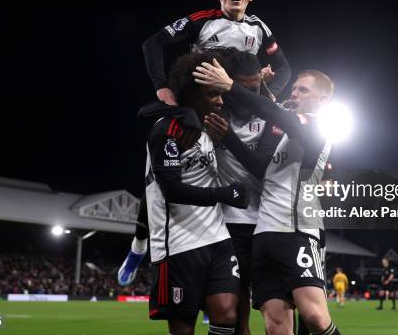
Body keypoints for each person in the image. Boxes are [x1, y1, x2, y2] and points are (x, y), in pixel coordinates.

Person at [194, 58, 340, 335]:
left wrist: (230, 86)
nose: (294, 93)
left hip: (297, 229)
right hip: (264, 233)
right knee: (275, 325)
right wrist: (228, 138)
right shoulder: (284, 132)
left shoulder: (318, 128)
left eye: (303, 90)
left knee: (315, 317)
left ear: (322, 100)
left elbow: (271, 111)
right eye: (294, 88)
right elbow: (261, 168)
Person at [142, 50, 250, 335]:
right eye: (213, 94)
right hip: (178, 242)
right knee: (183, 328)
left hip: (218, 238)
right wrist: (225, 195)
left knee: (228, 314)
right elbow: (171, 190)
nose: (220, 100)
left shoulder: (206, 126)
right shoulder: (166, 129)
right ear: (193, 93)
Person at [204, 49, 283, 335]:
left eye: (254, 87)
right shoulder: (212, 107)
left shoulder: (271, 116)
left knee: (278, 306)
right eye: (240, 88)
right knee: (232, 310)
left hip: (259, 222)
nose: (249, 94)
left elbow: (262, 168)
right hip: (218, 223)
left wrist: (228, 137)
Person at [143, 0, 290, 105]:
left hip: (242, 108)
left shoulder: (259, 27)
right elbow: (153, 43)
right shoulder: (201, 21)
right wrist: (161, 86)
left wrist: (271, 93)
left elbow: (284, 67)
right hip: (206, 106)